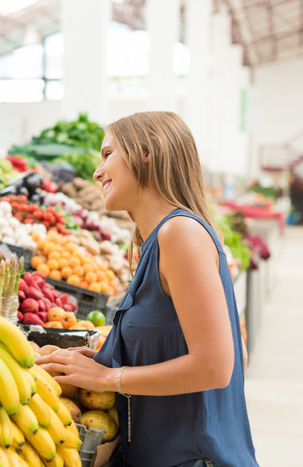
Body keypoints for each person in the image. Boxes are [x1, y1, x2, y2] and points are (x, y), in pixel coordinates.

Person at [36, 111, 258, 466]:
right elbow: (235, 351)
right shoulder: (160, 240)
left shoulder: (179, 233)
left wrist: (110, 377)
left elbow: (218, 365)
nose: (97, 172)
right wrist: (113, 359)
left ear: (147, 151)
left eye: (108, 154)